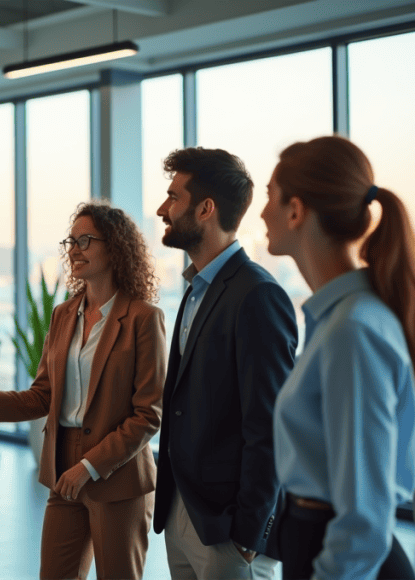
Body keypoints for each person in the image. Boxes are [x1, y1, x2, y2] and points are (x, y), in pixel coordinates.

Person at [0, 201, 166, 580]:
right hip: (63, 465)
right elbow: (43, 395)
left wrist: (90, 467)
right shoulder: (64, 314)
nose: (74, 250)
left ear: (114, 248)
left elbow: (148, 415)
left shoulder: (144, 318)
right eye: (71, 241)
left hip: (118, 474)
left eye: (85, 240)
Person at [262, 135, 415, 579]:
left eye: (270, 196)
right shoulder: (340, 319)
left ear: (295, 209)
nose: (262, 212)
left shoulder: (353, 330)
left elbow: (365, 515)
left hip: (343, 558)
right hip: (319, 543)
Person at [153, 147, 298, 579]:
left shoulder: (257, 295)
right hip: (183, 512)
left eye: (173, 197)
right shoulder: (196, 288)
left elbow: (270, 425)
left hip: (229, 531)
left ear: (206, 209)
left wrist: (249, 533)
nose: (162, 209)